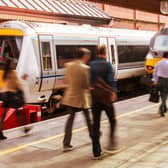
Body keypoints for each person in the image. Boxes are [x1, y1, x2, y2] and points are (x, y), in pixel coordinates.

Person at [90, 45, 118, 159]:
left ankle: (96, 152)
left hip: (95, 98)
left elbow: (90, 82)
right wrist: (113, 92)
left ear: (97, 53)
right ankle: (111, 144)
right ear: (105, 53)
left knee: (96, 124)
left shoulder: (91, 65)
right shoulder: (107, 65)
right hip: (106, 98)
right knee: (112, 120)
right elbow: (111, 81)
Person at [62, 48, 92, 152]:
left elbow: (65, 81)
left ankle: (66, 144)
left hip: (70, 97)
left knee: (70, 120)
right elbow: (86, 85)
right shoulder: (85, 68)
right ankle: (93, 136)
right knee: (88, 119)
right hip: (81, 98)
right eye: (88, 56)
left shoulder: (68, 65)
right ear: (85, 56)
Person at [0, 58, 29, 140]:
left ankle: (0, 132)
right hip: (11, 95)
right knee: (20, 112)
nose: (15, 64)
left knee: (4, 115)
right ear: (10, 64)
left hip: (4, 95)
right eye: (13, 63)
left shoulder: (5, 73)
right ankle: (25, 128)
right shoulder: (13, 72)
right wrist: (23, 81)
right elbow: (17, 84)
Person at [153, 52, 168, 117]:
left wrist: (155, 81)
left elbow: (155, 72)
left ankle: (164, 108)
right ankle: (161, 108)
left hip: (160, 80)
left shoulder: (158, 63)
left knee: (163, 94)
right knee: (165, 95)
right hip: (167, 80)